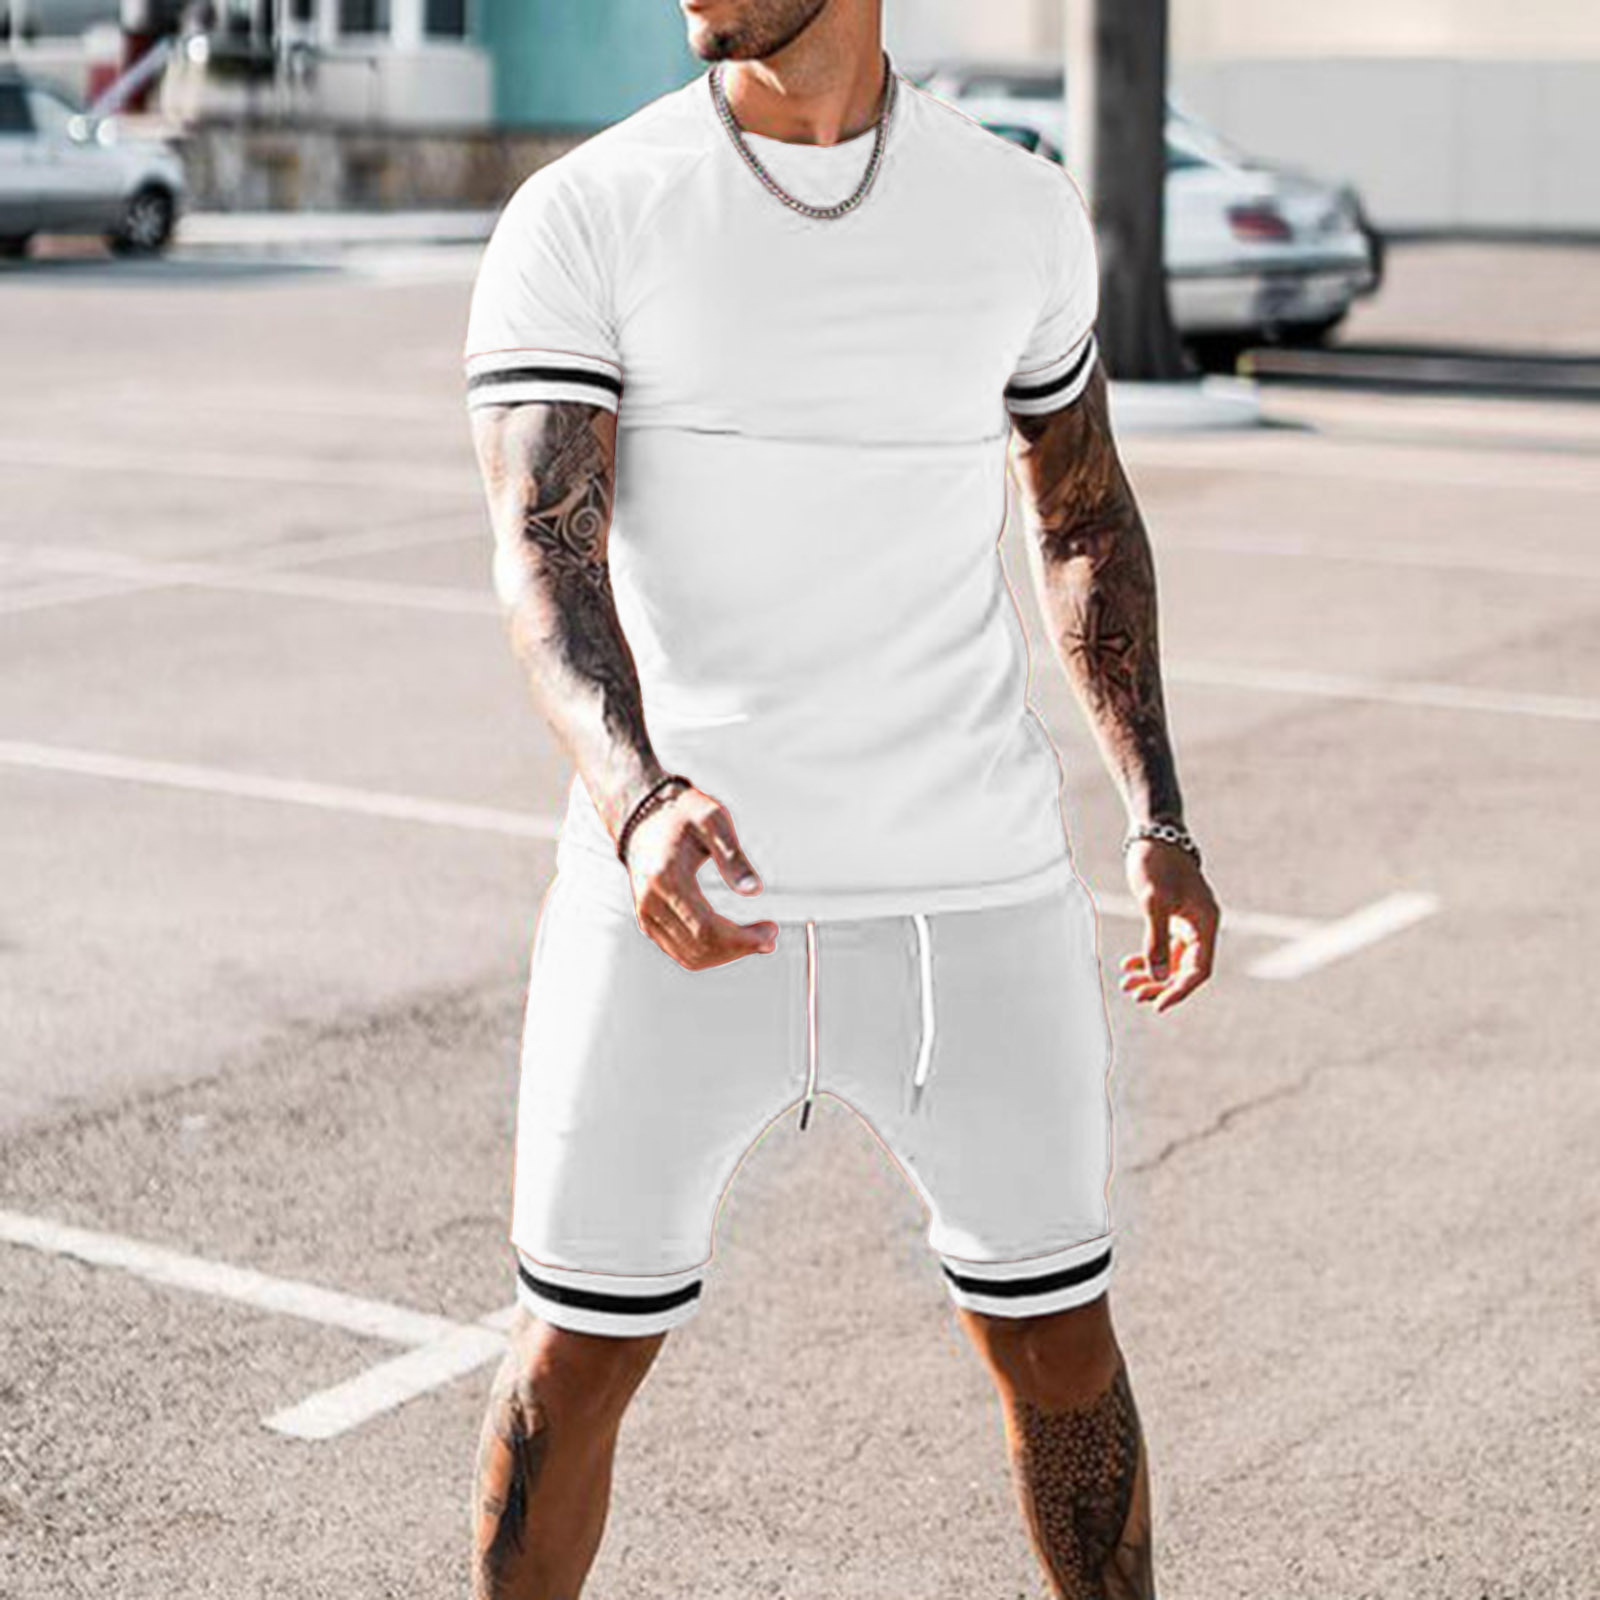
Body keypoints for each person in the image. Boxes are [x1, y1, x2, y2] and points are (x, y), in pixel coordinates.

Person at [461, 2, 1220, 1595]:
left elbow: (1082, 519)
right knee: (573, 1360)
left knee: (1059, 1345)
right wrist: (638, 801)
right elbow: (543, 548)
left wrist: (1156, 816)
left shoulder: (1012, 211)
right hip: (676, 905)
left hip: (973, 900)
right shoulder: (588, 212)